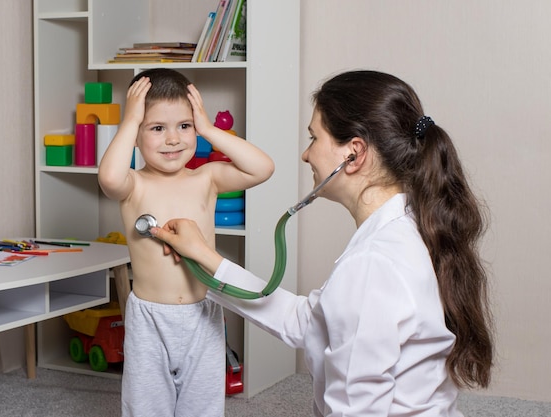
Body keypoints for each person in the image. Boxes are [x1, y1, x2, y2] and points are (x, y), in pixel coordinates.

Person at [151, 70, 494, 416]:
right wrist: (205, 259)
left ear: (353, 154)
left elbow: (355, 411)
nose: (305, 155)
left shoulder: (373, 264)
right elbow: (306, 321)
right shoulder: (406, 228)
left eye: (314, 138)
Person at [98, 68, 274, 417]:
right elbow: (109, 177)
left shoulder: (205, 178)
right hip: (150, 318)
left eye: (184, 125)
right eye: (157, 128)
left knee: (203, 405)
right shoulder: (134, 184)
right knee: (147, 406)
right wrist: (129, 121)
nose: (173, 139)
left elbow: (262, 168)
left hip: (202, 314)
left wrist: (209, 129)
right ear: (136, 134)